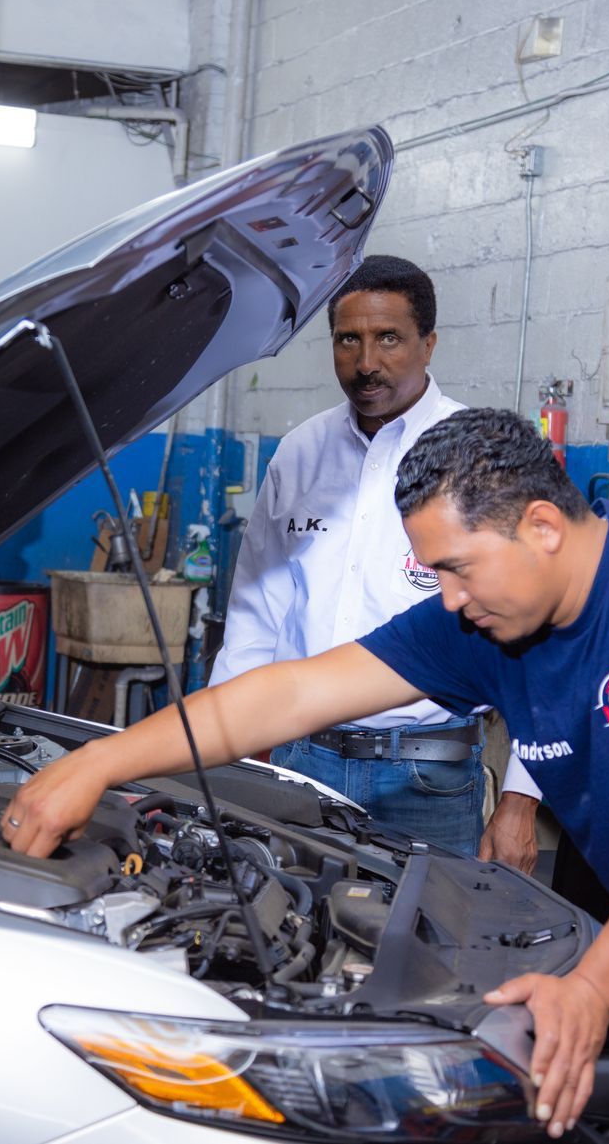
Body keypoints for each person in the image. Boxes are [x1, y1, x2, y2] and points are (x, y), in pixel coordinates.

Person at [1, 408, 609, 1144]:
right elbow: (286, 696)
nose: (446, 599)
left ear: (540, 524)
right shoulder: (486, 626)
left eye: (455, 567)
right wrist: (102, 758)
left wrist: (592, 983)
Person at [211, 253, 539, 859]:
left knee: (424, 946)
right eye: (348, 340)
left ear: (428, 343)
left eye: (389, 338)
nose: (366, 363)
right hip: (299, 761)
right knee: (284, 932)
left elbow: (538, 643)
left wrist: (521, 801)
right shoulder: (299, 453)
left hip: (427, 778)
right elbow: (256, 618)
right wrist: (226, 755)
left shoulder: (480, 454)